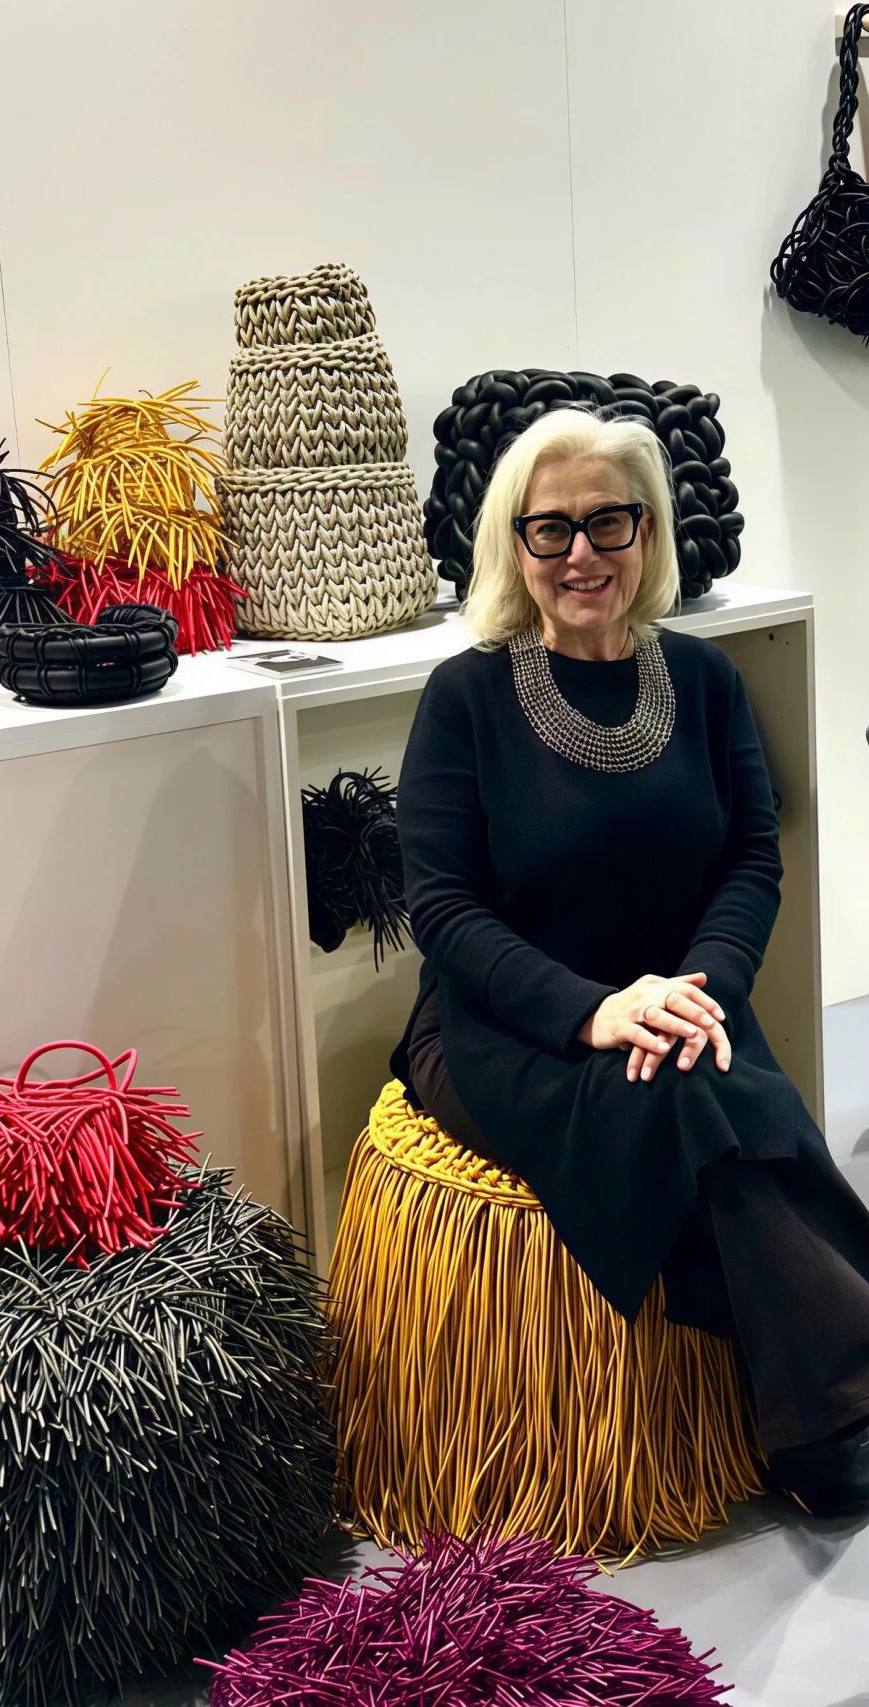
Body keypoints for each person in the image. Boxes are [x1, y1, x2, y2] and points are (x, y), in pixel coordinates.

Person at [390, 405, 869, 1518]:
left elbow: (750, 859)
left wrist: (700, 991)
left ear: (647, 531)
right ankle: (826, 1416)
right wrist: (590, 1012)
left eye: (607, 521)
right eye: (548, 528)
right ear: (514, 545)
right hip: (505, 1026)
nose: (580, 554)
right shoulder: (465, 699)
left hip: (678, 998)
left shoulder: (702, 681)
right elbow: (443, 910)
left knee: (717, 1084)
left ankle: (821, 1409)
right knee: (689, 1098)